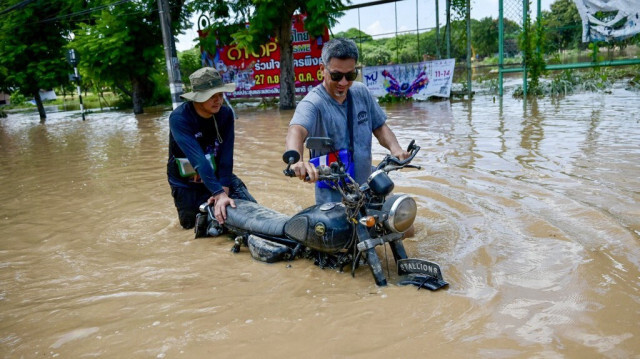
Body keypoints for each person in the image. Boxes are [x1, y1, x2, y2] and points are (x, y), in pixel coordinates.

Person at [285, 38, 410, 204]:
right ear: (322, 69)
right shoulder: (313, 103)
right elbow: (296, 130)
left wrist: (396, 149)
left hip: (368, 188)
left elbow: (379, 127)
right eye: (336, 76)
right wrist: (298, 162)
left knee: (403, 225)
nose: (343, 83)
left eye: (350, 75)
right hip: (334, 199)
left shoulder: (361, 92)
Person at [167, 67, 255, 231]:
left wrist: (224, 187)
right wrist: (218, 193)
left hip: (216, 174)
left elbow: (227, 154)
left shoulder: (226, 114)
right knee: (192, 227)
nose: (218, 100)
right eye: (211, 96)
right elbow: (198, 160)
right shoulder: (179, 118)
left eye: (220, 95)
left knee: (251, 212)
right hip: (186, 182)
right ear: (198, 98)